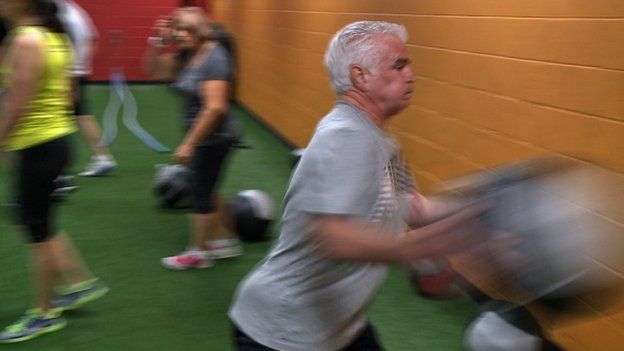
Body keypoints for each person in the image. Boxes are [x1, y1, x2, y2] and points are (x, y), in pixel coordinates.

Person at [229, 21, 488, 350]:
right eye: (399, 65)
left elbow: (411, 205)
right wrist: (423, 247)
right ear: (360, 76)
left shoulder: (381, 139)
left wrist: (483, 208)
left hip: (340, 327)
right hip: (283, 331)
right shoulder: (346, 136)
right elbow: (332, 237)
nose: (411, 75)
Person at [0, 0, 108, 343]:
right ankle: (76, 284)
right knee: (34, 221)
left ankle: (43, 313)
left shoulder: (28, 40)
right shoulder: (53, 37)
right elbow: (65, 95)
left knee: (38, 230)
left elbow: (18, 103)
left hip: (39, 146)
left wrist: (1, 141)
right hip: (51, 142)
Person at [144, 7, 242, 270]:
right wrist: (158, 42)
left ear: (201, 30)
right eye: (178, 29)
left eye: (188, 29)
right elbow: (155, 71)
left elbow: (215, 107)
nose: (181, 34)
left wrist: (189, 143)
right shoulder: (189, 56)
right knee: (209, 188)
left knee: (201, 192)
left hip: (215, 136)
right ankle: (227, 241)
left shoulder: (215, 57)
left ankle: (197, 253)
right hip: (205, 136)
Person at [55, 0, 116, 177]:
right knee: (81, 115)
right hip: (74, 71)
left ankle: (60, 169)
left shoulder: (61, 13)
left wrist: (75, 69)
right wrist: (83, 65)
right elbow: (93, 38)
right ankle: (103, 157)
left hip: (68, 73)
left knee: (60, 118)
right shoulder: (73, 9)